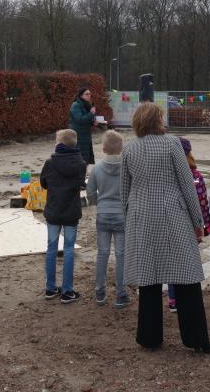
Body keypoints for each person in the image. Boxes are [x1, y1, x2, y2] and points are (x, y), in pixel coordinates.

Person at [121, 103, 210, 353]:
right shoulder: (172, 144)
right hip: (173, 215)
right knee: (186, 278)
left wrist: (128, 218)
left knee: (148, 280)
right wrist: (199, 222)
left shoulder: (129, 148)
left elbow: (124, 191)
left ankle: (149, 337)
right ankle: (197, 339)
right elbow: (187, 185)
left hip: (141, 217)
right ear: (158, 119)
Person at [41, 129, 87, 304]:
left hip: (53, 210)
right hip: (71, 212)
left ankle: (50, 287)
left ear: (58, 144)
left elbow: (43, 183)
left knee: (51, 249)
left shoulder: (49, 163)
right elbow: (81, 184)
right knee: (68, 250)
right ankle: (67, 291)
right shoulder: (81, 164)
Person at [86, 130, 130, 309]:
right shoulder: (127, 168)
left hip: (103, 214)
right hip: (121, 215)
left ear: (103, 148)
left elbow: (90, 192)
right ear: (122, 149)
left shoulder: (96, 169)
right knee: (121, 255)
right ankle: (121, 294)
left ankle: (100, 293)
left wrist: (98, 203)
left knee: (102, 253)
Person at [167, 137, 210, 311]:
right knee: (190, 262)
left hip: (172, 224)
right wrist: (204, 226)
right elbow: (202, 202)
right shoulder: (196, 176)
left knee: (172, 261)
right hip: (191, 227)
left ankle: (173, 299)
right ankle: (187, 298)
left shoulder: (168, 175)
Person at [69, 87, 97, 165]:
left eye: (90, 94)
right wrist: (91, 113)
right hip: (78, 135)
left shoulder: (87, 104)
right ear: (81, 95)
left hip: (86, 135)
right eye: (86, 94)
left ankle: (83, 174)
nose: (89, 96)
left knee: (85, 158)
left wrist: (93, 123)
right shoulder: (76, 105)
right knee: (79, 158)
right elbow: (80, 119)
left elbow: (86, 119)